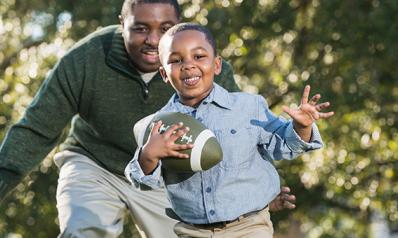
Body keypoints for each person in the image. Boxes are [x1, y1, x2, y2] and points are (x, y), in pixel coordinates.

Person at [0, 0, 295, 237]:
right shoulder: (86, 60)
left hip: (168, 175)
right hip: (94, 163)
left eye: (166, 27)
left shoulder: (206, 69)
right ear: (122, 24)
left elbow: (237, 137)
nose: (153, 40)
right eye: (141, 28)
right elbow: (35, 129)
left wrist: (256, 198)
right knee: (85, 228)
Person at [126, 23, 334, 238]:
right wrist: (148, 155)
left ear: (217, 65)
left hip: (249, 225)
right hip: (191, 230)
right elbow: (142, 181)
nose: (188, 66)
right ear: (164, 74)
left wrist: (302, 126)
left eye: (198, 56)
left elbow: (284, 146)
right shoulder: (161, 125)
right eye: (176, 60)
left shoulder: (248, 107)